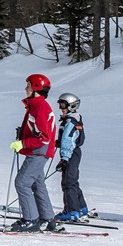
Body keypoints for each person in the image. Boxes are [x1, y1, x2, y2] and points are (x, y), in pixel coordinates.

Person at [7, 73, 63, 232]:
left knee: (22, 182)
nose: (25, 88)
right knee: (37, 184)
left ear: (36, 88)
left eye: (28, 85)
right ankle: (48, 219)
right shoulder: (37, 105)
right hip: (39, 151)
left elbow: (44, 137)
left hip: (39, 151)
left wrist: (23, 143)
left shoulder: (40, 107)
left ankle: (31, 220)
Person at [54, 92, 89, 222]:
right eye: (60, 104)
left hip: (70, 154)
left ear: (71, 105)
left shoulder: (70, 121)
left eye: (63, 104)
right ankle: (81, 208)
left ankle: (71, 211)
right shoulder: (74, 119)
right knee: (73, 181)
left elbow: (68, 141)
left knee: (68, 183)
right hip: (75, 153)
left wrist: (64, 159)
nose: (61, 107)